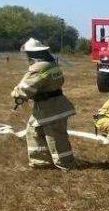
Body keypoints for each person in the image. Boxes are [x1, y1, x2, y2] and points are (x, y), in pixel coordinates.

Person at [10, 38, 77, 170]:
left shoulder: (39, 68)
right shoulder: (51, 65)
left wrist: (16, 95)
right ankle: (40, 162)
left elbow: (25, 88)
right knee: (33, 131)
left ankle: (66, 164)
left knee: (56, 137)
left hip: (50, 108)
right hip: (49, 106)